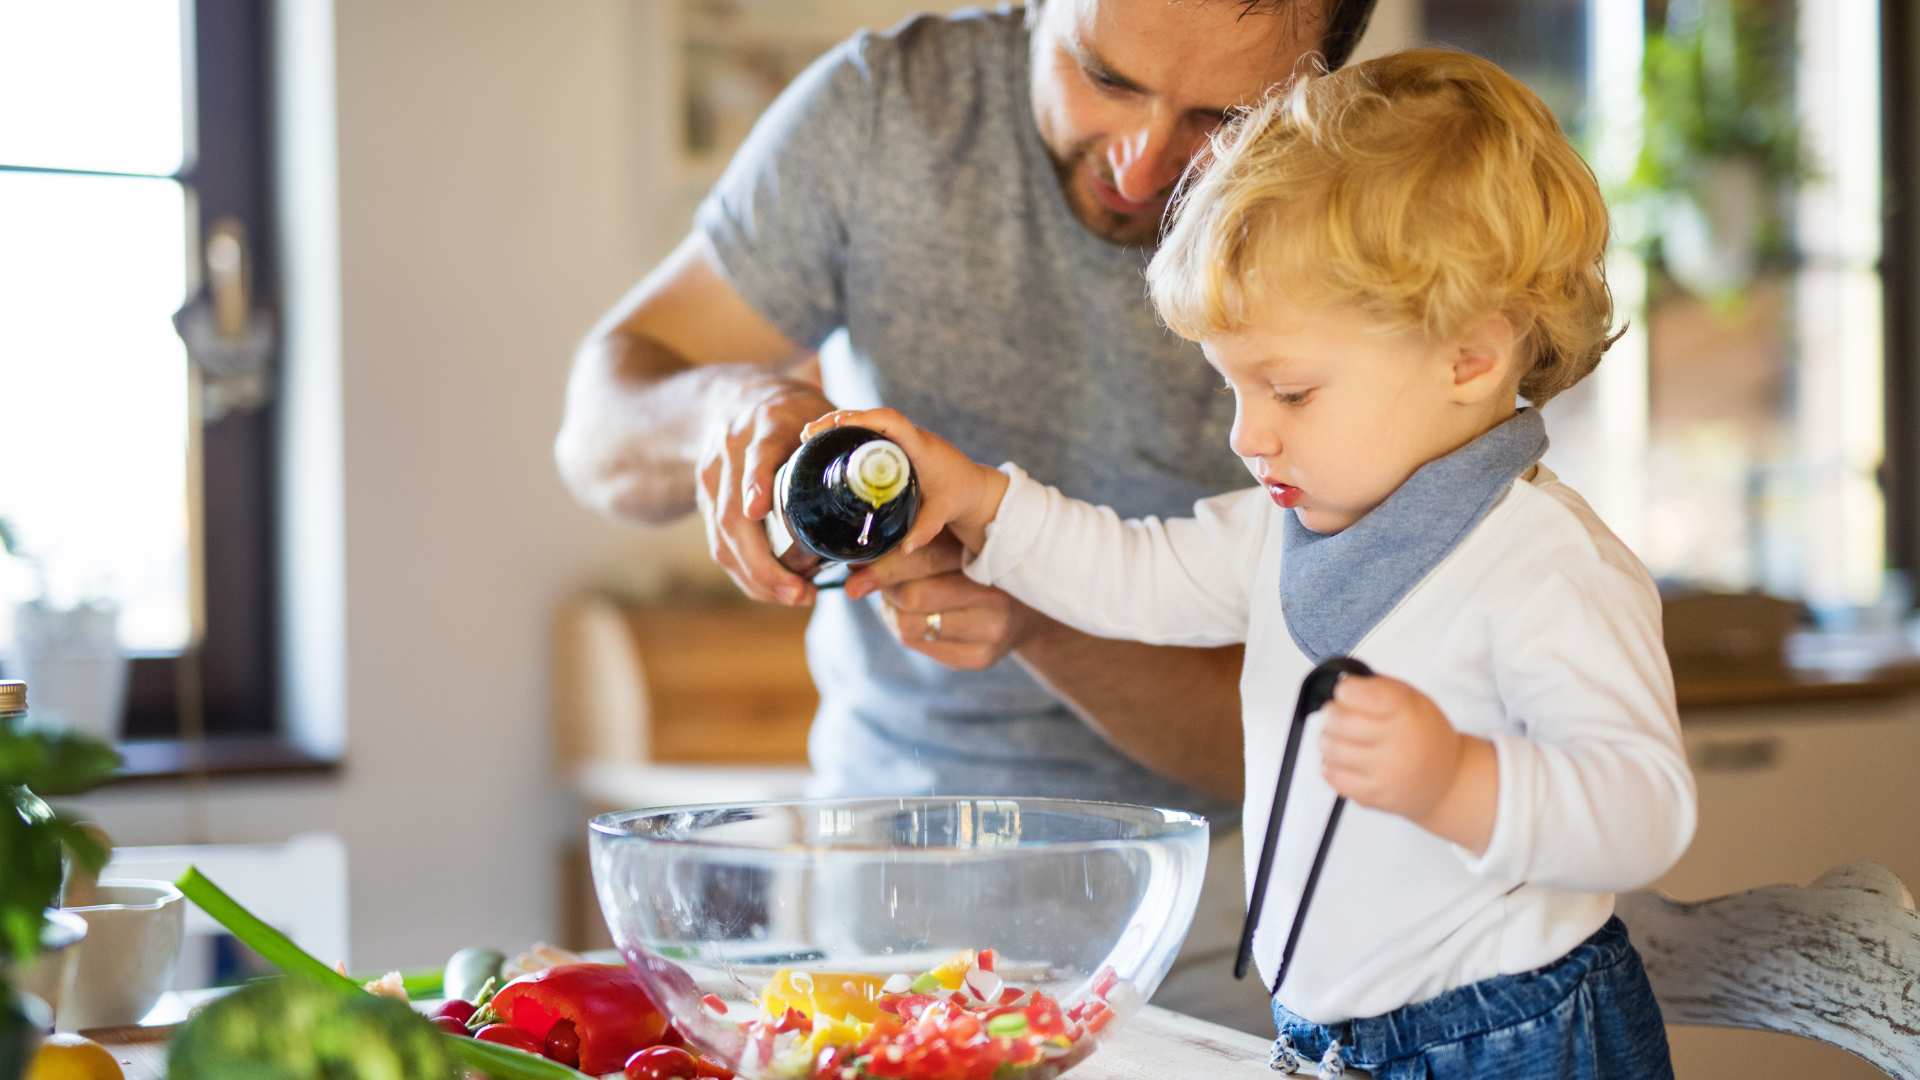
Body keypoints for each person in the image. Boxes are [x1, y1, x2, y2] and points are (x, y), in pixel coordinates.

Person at [800, 48, 1698, 1079]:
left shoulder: (1544, 568)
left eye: (1290, 391)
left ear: (1471, 357)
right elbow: (1129, 575)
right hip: (1326, 1039)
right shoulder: (1281, 528)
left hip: (1511, 1042)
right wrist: (977, 500)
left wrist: (1460, 780)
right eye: (1235, 389)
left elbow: (1643, 809)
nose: (1245, 434)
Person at [556, 0, 1378, 1035]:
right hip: (879, 882)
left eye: (1221, 118)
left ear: (1314, 86)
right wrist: (728, 410)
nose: (1137, 164)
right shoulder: (883, 111)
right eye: (1106, 79)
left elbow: (1282, 747)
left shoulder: (1357, 209)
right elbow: (596, 429)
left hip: (1222, 906)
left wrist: (1032, 616)